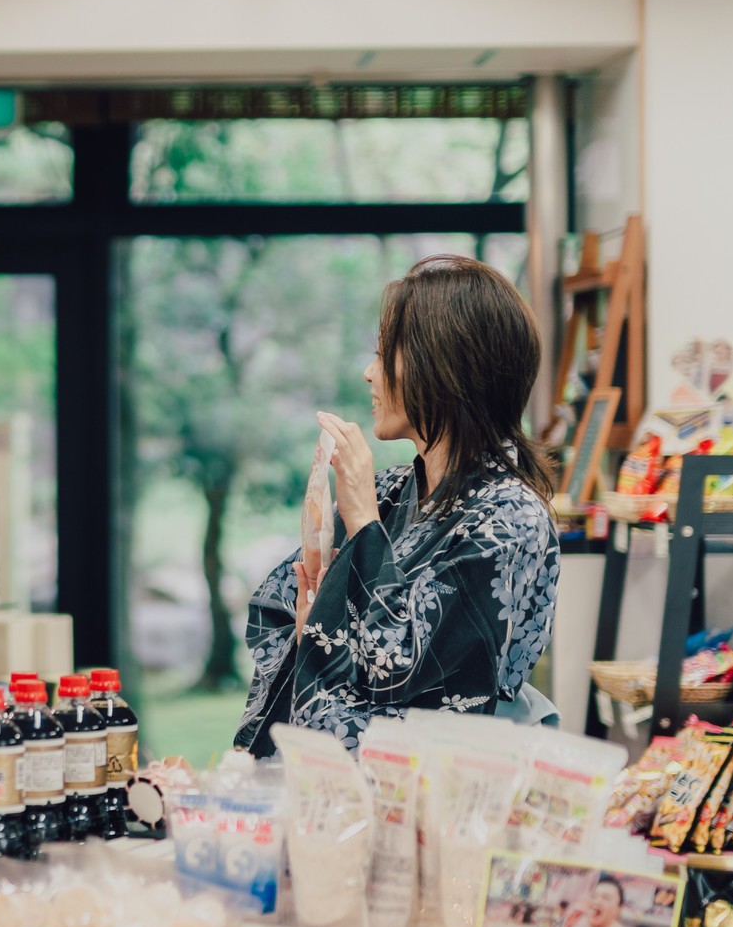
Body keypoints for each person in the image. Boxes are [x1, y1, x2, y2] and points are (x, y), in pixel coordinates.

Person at [234, 254, 560, 754]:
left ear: (447, 366)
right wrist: (313, 627)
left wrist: (363, 525)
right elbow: (282, 610)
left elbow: (403, 673)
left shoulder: (511, 518)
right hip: (344, 786)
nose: (369, 373)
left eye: (384, 354)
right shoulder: (388, 491)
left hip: (441, 786)